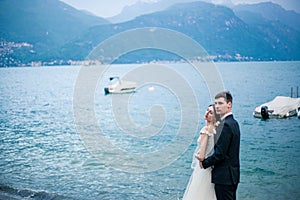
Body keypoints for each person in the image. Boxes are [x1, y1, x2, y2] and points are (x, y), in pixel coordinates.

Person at [198, 91, 241, 200]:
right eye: (216, 103)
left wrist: (204, 163)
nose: (217, 106)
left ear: (229, 104)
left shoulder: (225, 125)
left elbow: (220, 154)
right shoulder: (234, 122)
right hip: (232, 175)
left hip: (224, 177)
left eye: (220, 103)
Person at [182, 104, 220, 200]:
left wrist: (196, 155)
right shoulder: (215, 131)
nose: (207, 113)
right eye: (207, 110)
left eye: (211, 112)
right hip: (211, 168)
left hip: (203, 168)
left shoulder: (206, 130)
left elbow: (202, 156)